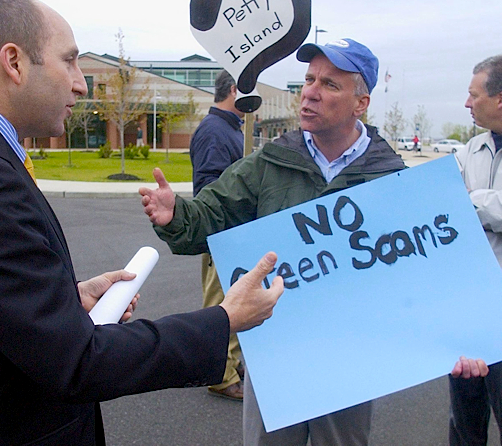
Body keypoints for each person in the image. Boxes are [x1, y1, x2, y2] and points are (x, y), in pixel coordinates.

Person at [0, 0, 284, 446]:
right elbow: (77, 362)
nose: (81, 84)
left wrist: (63, 299)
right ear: (14, 63)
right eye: (70, 61)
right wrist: (224, 320)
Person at [140, 38, 406, 445]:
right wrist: (176, 214)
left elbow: (421, 276)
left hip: (351, 355)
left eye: (330, 85)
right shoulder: (272, 162)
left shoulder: (393, 178)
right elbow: (212, 215)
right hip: (275, 349)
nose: (311, 92)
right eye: (309, 79)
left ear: (361, 103)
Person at [449, 54, 502, 446]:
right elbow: (444, 202)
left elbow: (462, 203)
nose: (467, 104)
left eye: (474, 95)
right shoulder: (471, 150)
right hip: (467, 305)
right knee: (465, 420)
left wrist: (470, 202)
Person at [190, 69, 246, 401]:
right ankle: (220, 375)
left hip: (232, 230)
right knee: (220, 304)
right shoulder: (215, 132)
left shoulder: (228, 129)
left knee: (235, 298)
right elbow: (209, 187)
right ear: (236, 89)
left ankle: (230, 363)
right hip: (222, 231)